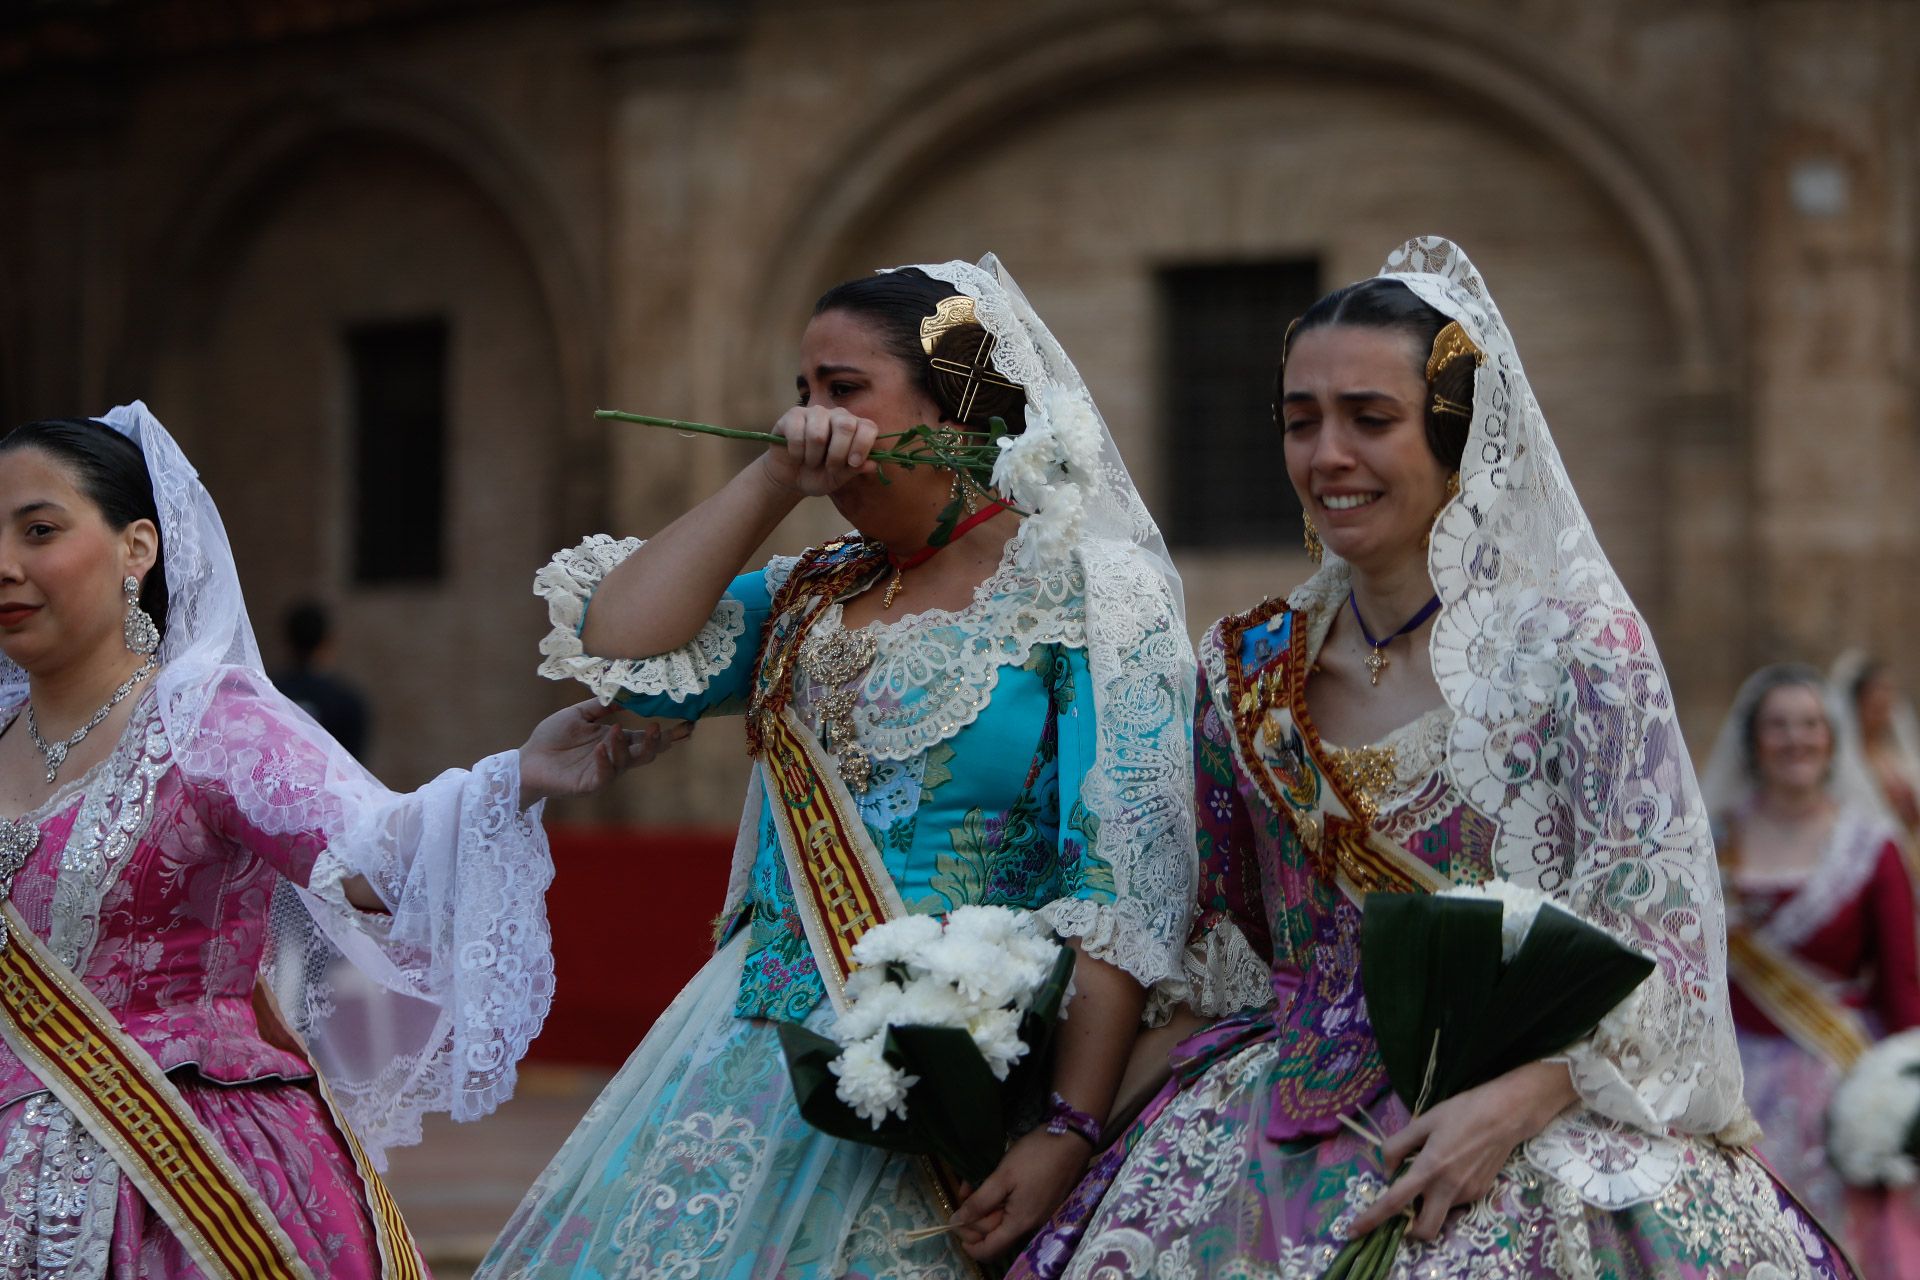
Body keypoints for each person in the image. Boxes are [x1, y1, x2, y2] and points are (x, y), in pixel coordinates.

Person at [1007, 238, 1854, 1279]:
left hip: (1545, 1128)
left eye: (1371, 418)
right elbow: (1224, 951)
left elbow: (1661, 952)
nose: (1327, 455)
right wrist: (1062, 1134)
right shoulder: (1241, 672)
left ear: (1457, 434)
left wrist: (1517, 1098)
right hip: (1272, 1138)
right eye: (1300, 419)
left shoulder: (1577, 656)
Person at [479, 254, 1195, 1278]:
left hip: (970, 1068)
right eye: (802, 393)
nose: (809, 419)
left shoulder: (1088, 597)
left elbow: (1122, 882)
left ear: (959, 412)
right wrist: (771, 476)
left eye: (845, 391)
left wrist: (1070, 1127)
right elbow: (625, 642)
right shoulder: (806, 593)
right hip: (759, 1058)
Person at [0, 404, 672, 1278]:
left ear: (139, 548)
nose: (6, 565)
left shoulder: (204, 721)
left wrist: (516, 777)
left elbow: (370, 852)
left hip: (177, 1172)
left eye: (39, 529)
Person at [1700, 663, 1920, 1275]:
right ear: (1752, 739)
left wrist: (1907, 1096)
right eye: (1778, 726)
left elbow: (1902, 984)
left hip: (1841, 1091)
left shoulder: (1872, 847)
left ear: (1832, 738)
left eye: (1810, 725)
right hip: (1730, 1094)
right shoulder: (1708, 844)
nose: (1795, 739)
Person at [1831, 651, 1920, 841]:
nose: (1884, 699)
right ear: (1857, 700)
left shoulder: (1898, 753)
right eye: (1875, 691)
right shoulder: (1843, 763)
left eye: (1889, 690)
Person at [273, 600, 371, 761]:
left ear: (287, 641)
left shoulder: (268, 693)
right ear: (327, 641)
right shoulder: (347, 701)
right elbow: (356, 767)